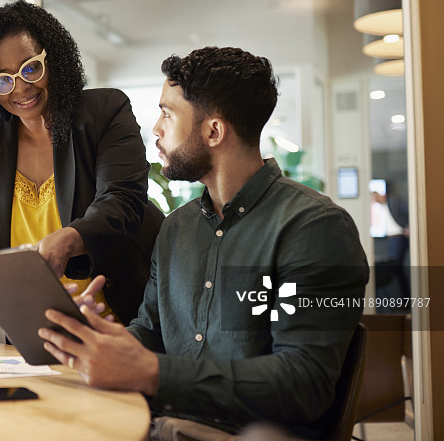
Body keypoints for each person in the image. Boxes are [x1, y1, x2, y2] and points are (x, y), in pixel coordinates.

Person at [39, 46, 369, 438]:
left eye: (167, 113)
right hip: (158, 424)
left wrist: (152, 372)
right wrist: (99, 342)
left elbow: (302, 384)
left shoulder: (314, 228)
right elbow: (150, 331)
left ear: (214, 131)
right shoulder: (176, 228)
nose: (156, 130)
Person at [0, 0, 164, 349]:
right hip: (39, 333)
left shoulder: (105, 112)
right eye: (2, 80)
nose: (20, 89)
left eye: (30, 69)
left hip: (124, 322)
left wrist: (72, 236)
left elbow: (123, 200)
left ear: (53, 59)